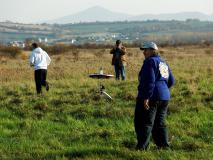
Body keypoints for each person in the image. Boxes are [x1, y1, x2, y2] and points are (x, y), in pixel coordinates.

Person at [134, 42, 175, 150]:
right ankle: (164, 147)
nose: (144, 52)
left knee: (145, 123)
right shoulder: (163, 62)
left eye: (146, 50)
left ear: (153, 50)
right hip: (164, 97)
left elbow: (149, 81)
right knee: (160, 123)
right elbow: (171, 81)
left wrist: (147, 97)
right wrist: (163, 89)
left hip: (151, 97)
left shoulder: (150, 62)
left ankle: (142, 148)